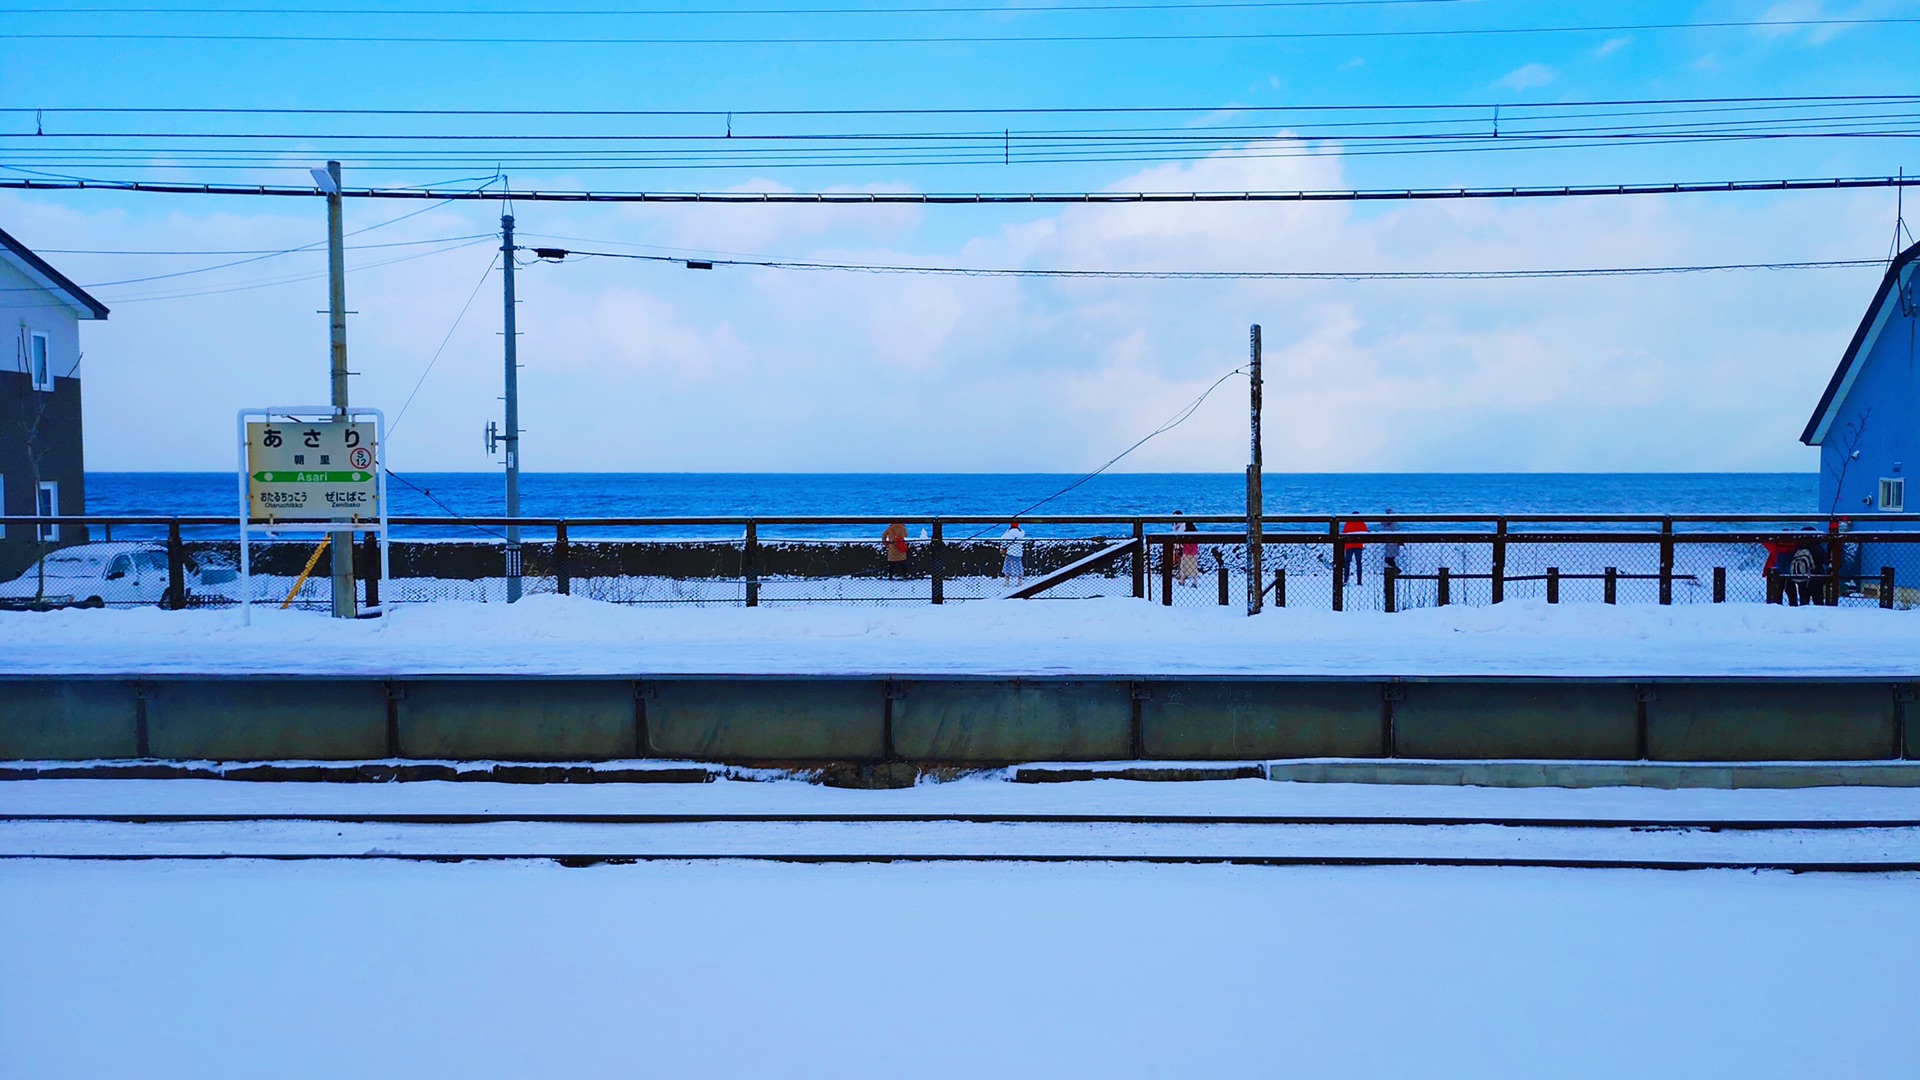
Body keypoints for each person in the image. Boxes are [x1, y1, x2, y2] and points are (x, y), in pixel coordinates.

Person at [1340, 514, 1368, 585]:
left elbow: (1344, 533)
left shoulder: (1348, 523)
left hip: (1349, 545)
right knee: (1358, 562)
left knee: (1347, 563)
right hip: (1358, 545)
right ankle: (1359, 581)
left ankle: (1345, 579)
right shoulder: (1362, 523)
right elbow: (1366, 533)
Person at [1001, 520, 1027, 587]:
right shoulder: (1021, 533)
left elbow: (1003, 540)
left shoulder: (1009, 532)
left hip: (1010, 551)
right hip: (1018, 552)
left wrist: (1002, 548)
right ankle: (1020, 582)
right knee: (1019, 566)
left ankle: (1007, 582)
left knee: (1007, 567)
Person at [1176, 515, 1200, 586]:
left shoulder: (1185, 533)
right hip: (1194, 552)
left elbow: (1182, 542)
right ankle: (1194, 581)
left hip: (1186, 552)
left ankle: (1182, 580)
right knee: (1193, 567)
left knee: (1183, 567)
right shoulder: (1195, 533)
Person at [1378, 509, 1402, 576]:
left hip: (1391, 542)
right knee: (1390, 558)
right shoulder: (1394, 522)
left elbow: (1386, 529)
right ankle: (1395, 570)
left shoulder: (1390, 523)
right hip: (1392, 542)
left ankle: (1396, 570)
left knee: (1388, 558)